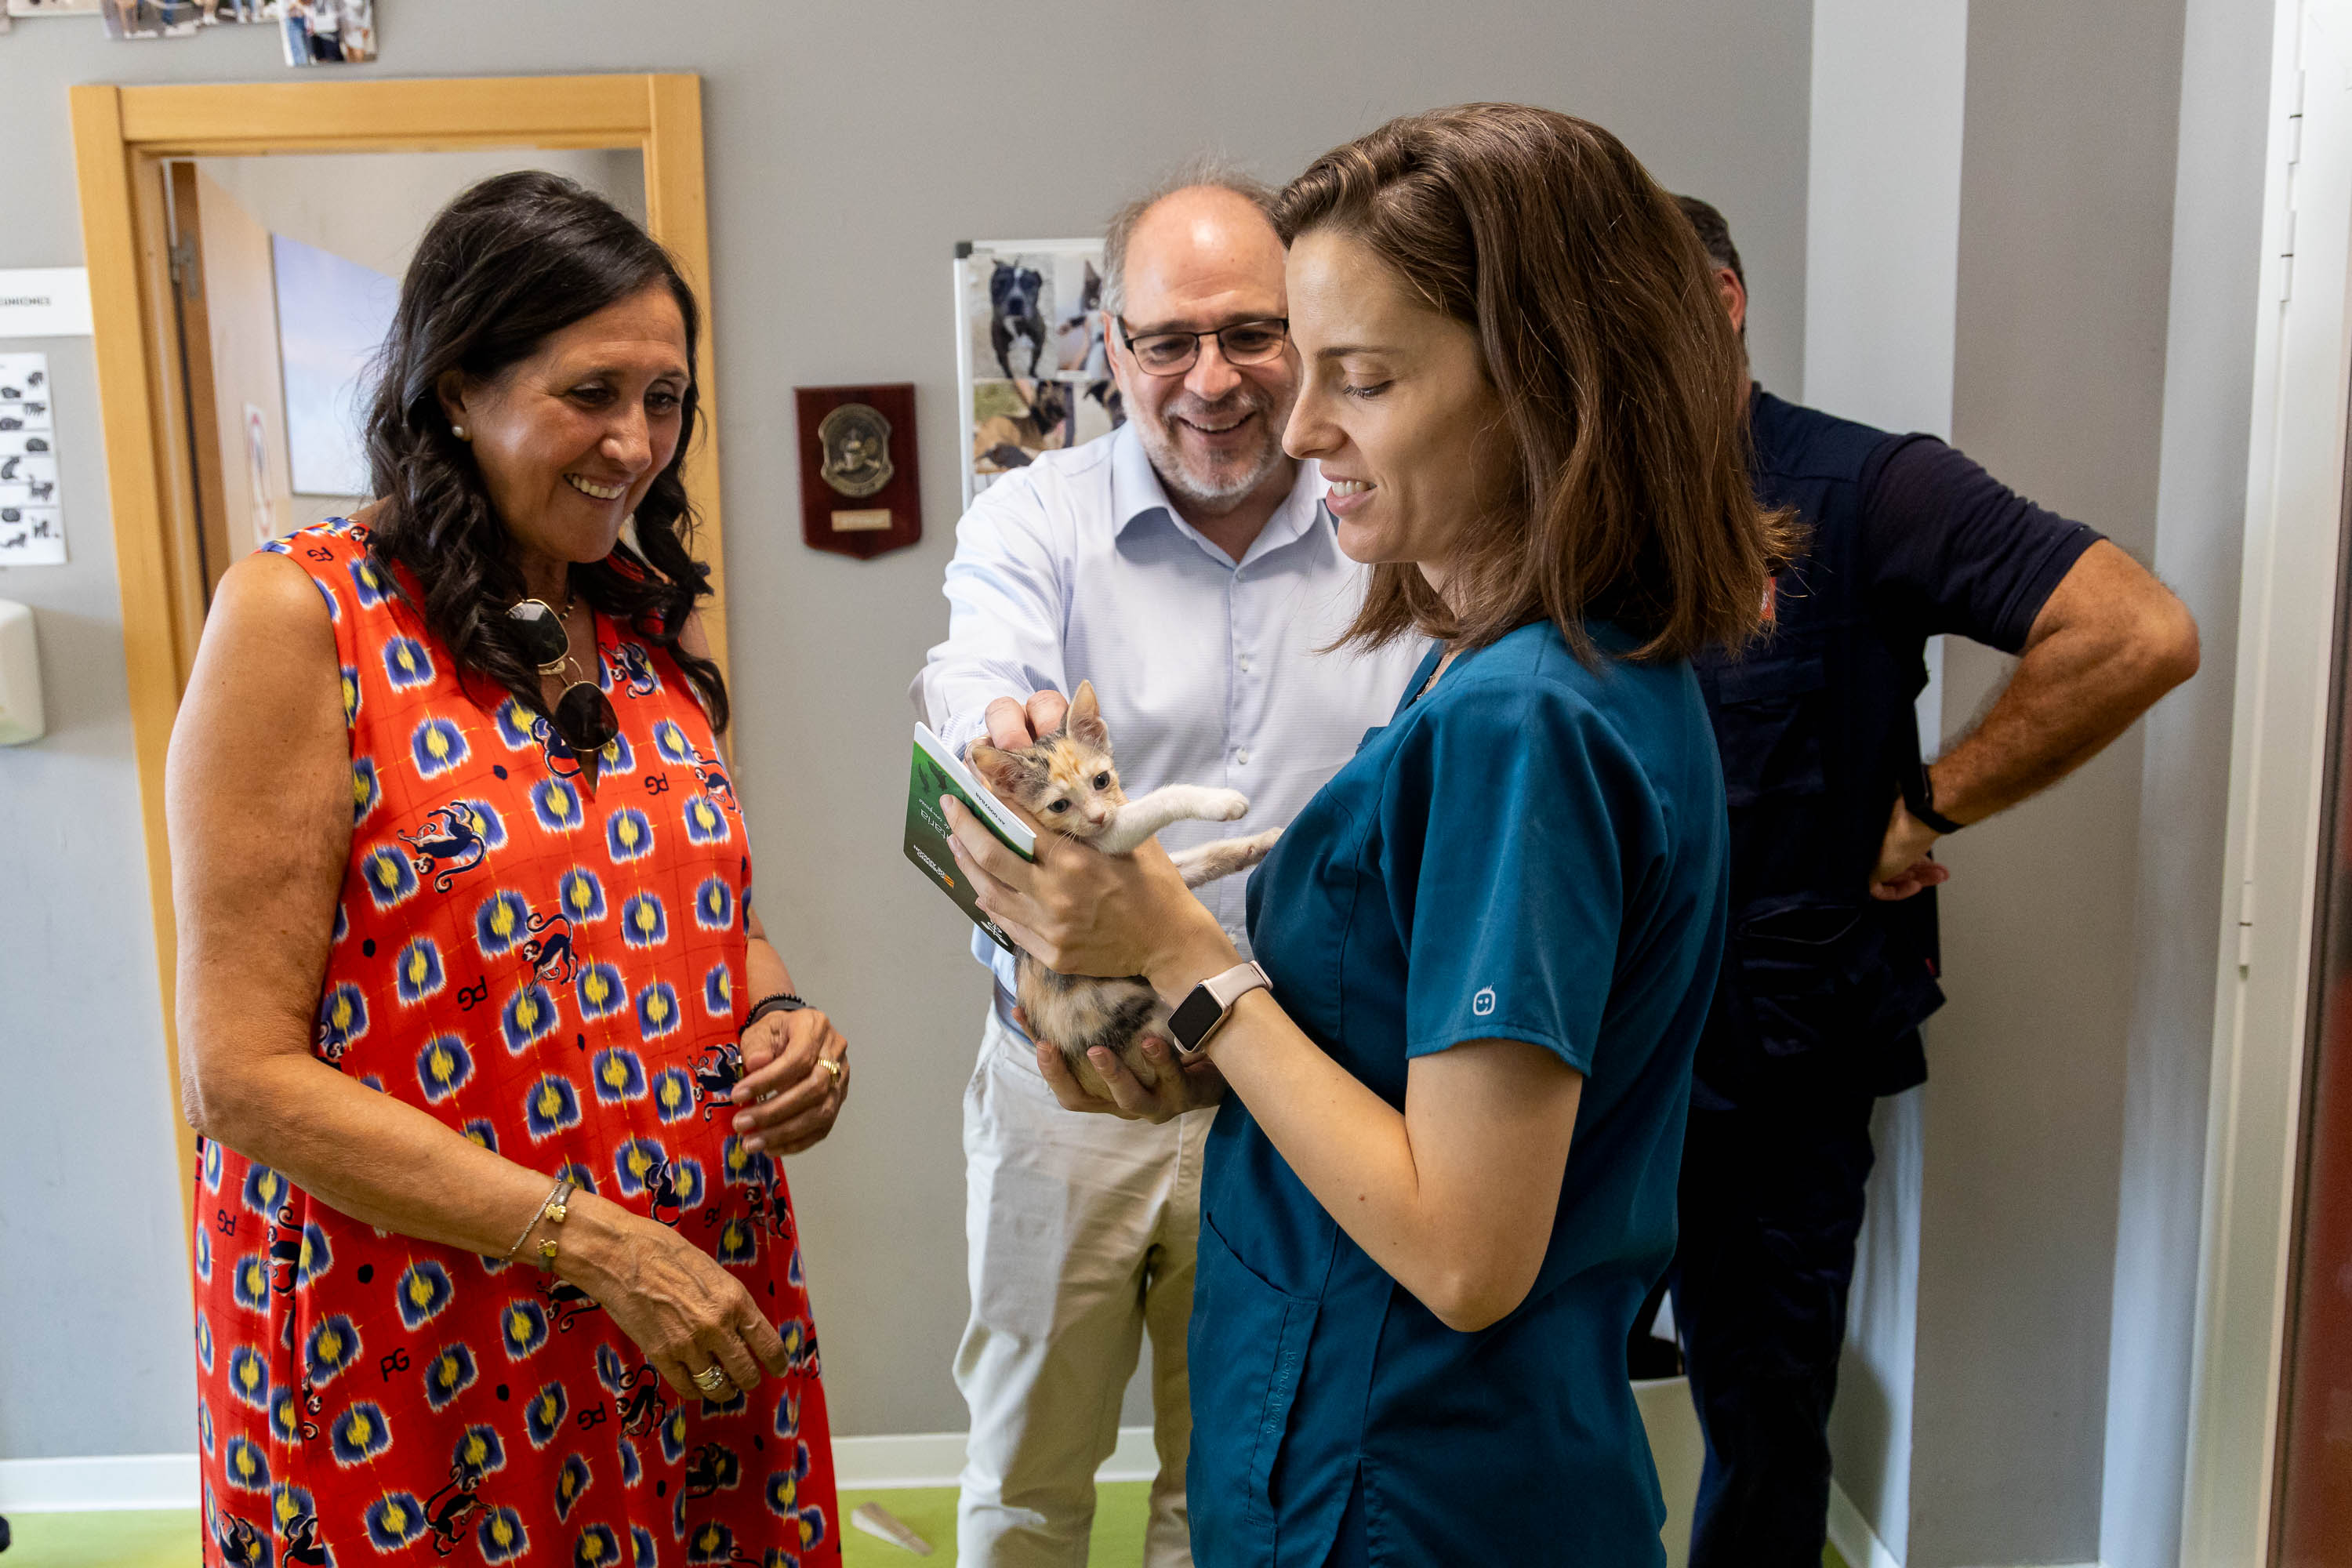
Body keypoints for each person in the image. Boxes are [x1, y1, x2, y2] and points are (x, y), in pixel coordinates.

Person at [943, 104, 1790, 1566]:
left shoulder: (1525, 720)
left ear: (1545, 387)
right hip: (1394, 1434)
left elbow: (1465, 1250)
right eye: (1175, 344)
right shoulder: (1497, 664)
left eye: (1364, 377)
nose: (1297, 425)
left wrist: (1179, 949)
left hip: (1412, 1472)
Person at [169, 172, 847, 1568]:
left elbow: (704, 924)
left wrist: (782, 1019)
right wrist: (591, 1244)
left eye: (664, 399)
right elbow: (238, 1076)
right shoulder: (304, 617)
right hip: (423, 1330)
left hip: (676, 1298)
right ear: (457, 390)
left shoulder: (643, 628)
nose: (635, 443)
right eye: (591, 393)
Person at [1660, 194, 2201, 1567]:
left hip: (1780, 1066)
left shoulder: (1865, 486)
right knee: (1526, 1398)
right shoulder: (1567, 504)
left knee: (1764, 1421)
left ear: (1721, 303)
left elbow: (2135, 631)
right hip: (1587, 1046)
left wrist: (1932, 801)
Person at [916, 165, 1426, 1565]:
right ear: (1112, 345)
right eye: (1168, 341)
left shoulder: (1391, 525)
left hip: (1299, 1087)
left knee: (1242, 1489)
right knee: (1027, 1481)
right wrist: (999, 730)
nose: (1213, 380)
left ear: (1307, 327)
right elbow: (969, 677)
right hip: (1067, 1079)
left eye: (1252, 333)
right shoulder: (1037, 517)